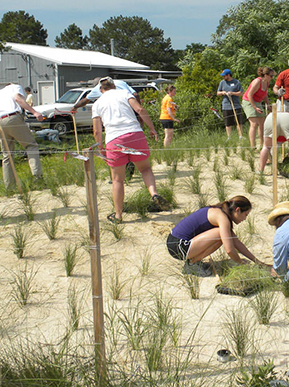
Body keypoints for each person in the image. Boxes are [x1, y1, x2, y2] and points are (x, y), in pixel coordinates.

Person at [92, 77, 170, 222]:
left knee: (117, 180)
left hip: (114, 139)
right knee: (145, 169)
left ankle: (118, 215)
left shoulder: (97, 104)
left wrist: (100, 148)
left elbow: (96, 131)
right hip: (135, 134)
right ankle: (154, 194)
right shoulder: (124, 93)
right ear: (113, 85)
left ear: (100, 89)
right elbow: (140, 109)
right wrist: (152, 128)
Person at [167, 195, 267, 276]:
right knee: (220, 235)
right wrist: (241, 263)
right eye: (245, 215)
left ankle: (193, 261)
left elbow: (236, 242)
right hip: (178, 246)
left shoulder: (221, 212)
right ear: (237, 210)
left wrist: (257, 262)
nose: (245, 219)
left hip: (174, 242)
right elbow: (229, 250)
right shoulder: (222, 218)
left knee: (223, 236)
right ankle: (192, 264)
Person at [0, 83, 45, 188]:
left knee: (7, 155)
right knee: (31, 146)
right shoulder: (15, 87)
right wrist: (34, 112)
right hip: (12, 118)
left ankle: (9, 186)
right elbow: (17, 98)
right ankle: (37, 178)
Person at [242, 67, 275, 149]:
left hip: (258, 102)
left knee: (262, 123)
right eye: (271, 76)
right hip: (249, 102)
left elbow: (265, 94)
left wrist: (268, 104)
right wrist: (254, 107)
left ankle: (262, 145)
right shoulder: (257, 81)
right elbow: (249, 95)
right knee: (254, 124)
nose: (272, 78)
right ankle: (252, 146)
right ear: (265, 75)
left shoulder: (266, 83)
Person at [217, 69, 244, 139]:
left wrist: (232, 93)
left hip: (236, 105)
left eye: (224, 76)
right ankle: (229, 137)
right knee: (228, 123)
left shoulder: (236, 82)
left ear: (228, 75)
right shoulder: (222, 83)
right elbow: (218, 93)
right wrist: (222, 93)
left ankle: (240, 136)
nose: (223, 77)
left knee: (239, 122)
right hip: (226, 106)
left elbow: (241, 93)